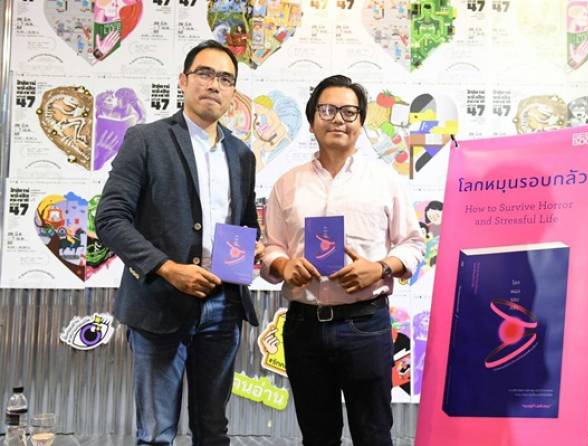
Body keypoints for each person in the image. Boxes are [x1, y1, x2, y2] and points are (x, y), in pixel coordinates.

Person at [95, 40, 260, 445]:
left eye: (226, 79)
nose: (214, 85)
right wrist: (167, 268)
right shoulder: (146, 139)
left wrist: (253, 249)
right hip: (159, 302)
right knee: (156, 434)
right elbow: (110, 219)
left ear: (233, 92)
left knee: (213, 431)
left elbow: (244, 224)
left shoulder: (242, 155)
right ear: (183, 81)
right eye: (205, 73)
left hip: (222, 307)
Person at [261, 74, 424, 446]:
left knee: (373, 434)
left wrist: (380, 268)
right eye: (327, 110)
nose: (338, 119)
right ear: (311, 120)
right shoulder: (286, 184)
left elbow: (413, 244)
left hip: (365, 324)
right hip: (303, 326)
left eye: (349, 112)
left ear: (361, 123)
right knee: (317, 437)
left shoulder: (385, 180)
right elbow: (271, 247)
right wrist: (284, 265)